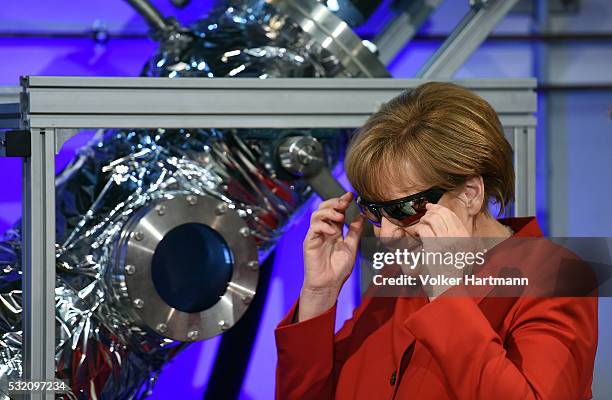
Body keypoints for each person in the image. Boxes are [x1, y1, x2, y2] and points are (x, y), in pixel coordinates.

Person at [274, 82, 598, 399]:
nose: (386, 234)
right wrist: (320, 294)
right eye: (373, 210)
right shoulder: (402, 278)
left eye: (405, 209)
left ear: (470, 194)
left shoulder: (556, 278)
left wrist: (448, 295)